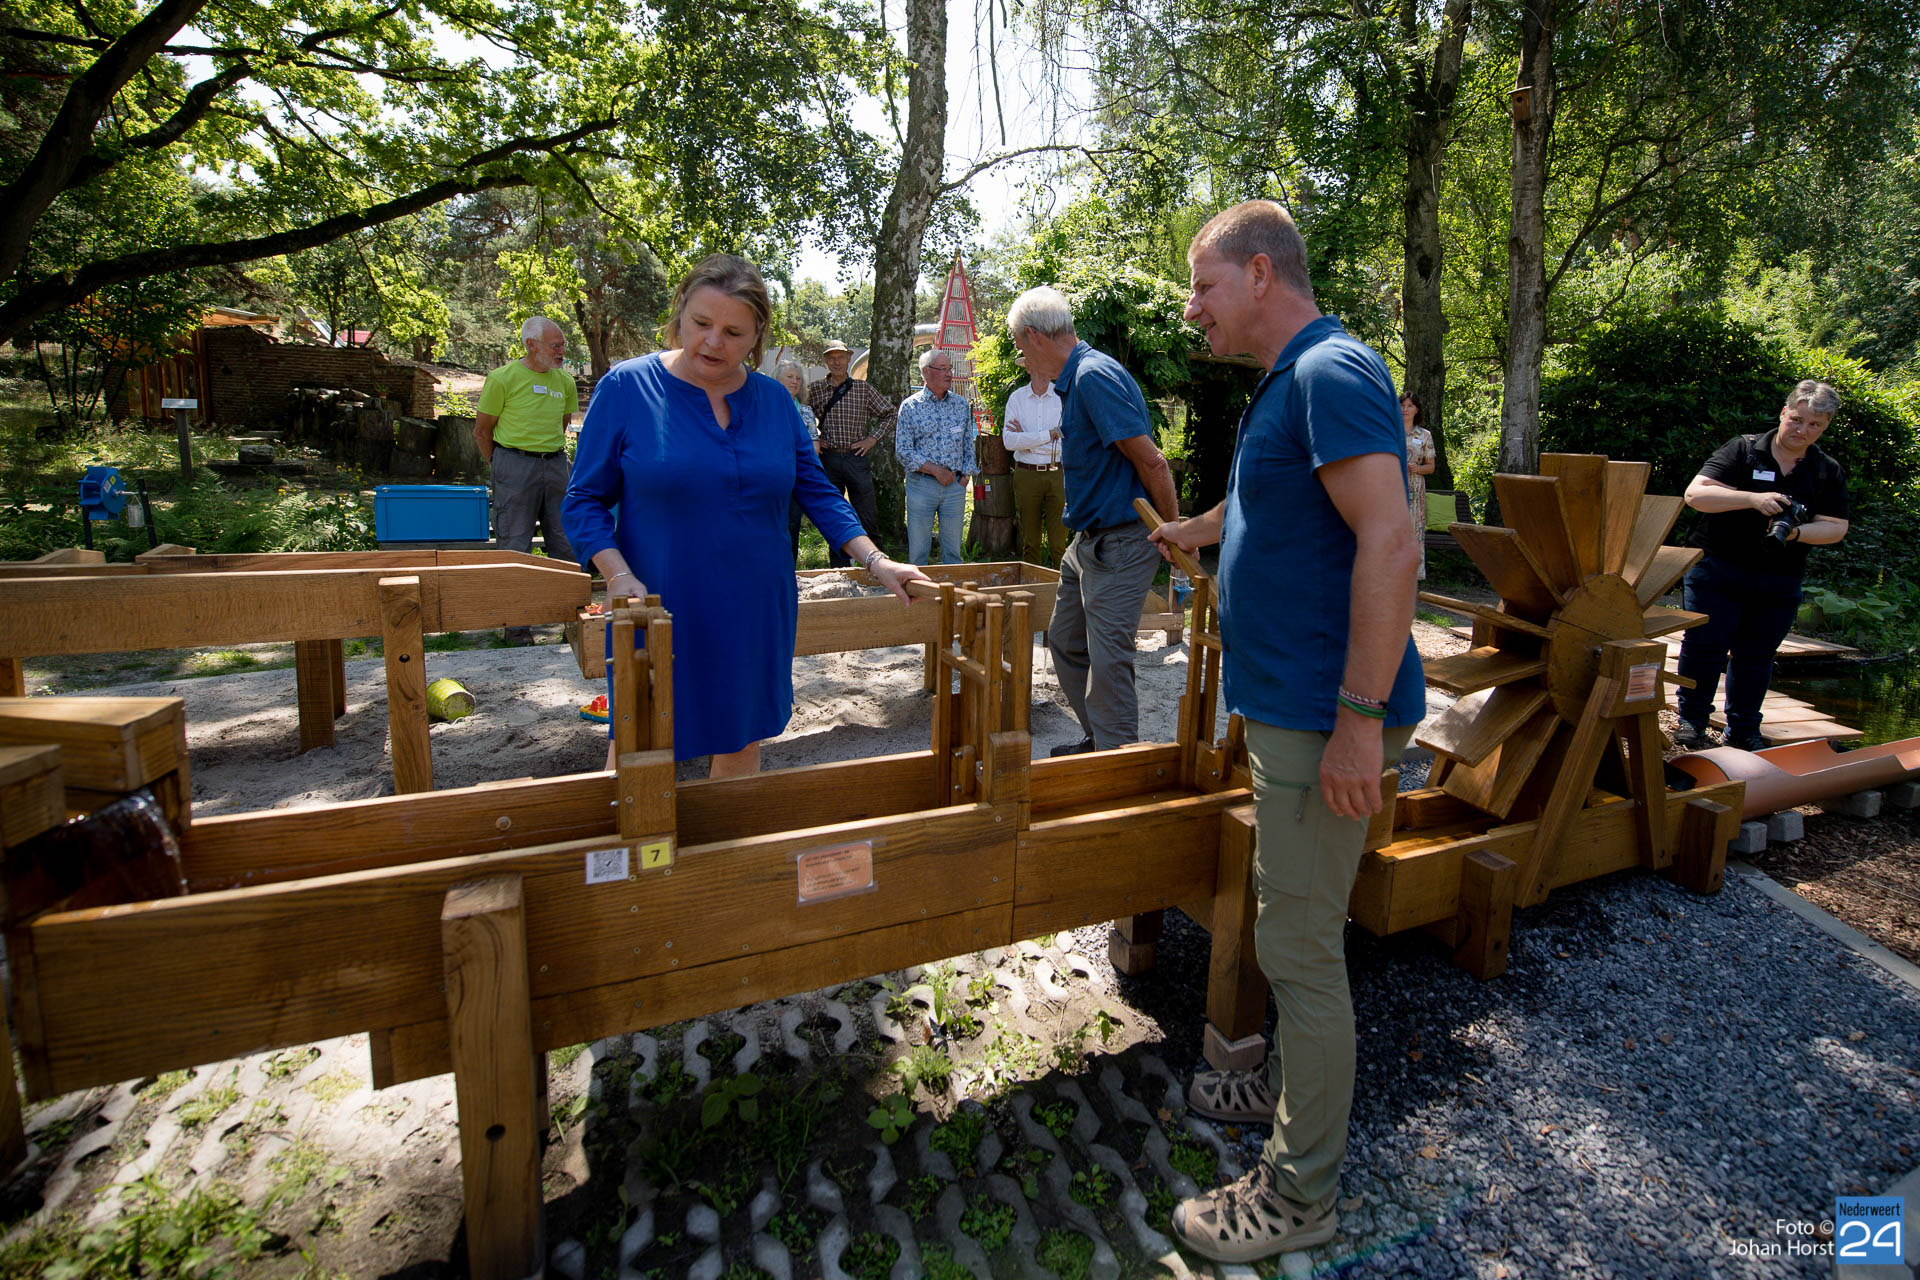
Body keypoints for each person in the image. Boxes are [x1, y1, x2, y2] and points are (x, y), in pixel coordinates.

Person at [1148, 200, 1425, 1265]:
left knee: (1301, 951)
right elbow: (1271, 506)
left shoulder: (1331, 371)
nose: (1193, 308)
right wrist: (1196, 526)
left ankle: (1300, 1192)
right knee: (1290, 926)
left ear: (1260, 273)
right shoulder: (1288, 383)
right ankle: (1284, 1085)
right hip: (1295, 714)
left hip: (1324, 719)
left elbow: (1392, 543)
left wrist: (1358, 723)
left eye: (1204, 284)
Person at [563, 255, 929, 778]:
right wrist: (616, 574)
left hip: (755, 605)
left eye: (734, 332)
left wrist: (876, 561)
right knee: (640, 747)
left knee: (740, 742)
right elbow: (583, 500)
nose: (713, 342)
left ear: (758, 336)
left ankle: (729, 835)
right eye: (701, 323)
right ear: (680, 314)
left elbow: (818, 492)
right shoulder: (627, 388)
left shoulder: (775, 402)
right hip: (656, 604)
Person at [1008, 286, 1178, 757]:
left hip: (1121, 541)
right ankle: (1100, 742)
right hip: (1087, 541)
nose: (1023, 359)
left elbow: (1153, 462)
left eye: (1022, 348)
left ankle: (1116, 764)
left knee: (1108, 661)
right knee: (1065, 641)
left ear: (1034, 336)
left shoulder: (1093, 376)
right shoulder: (1077, 378)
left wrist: (1174, 530)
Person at [1674, 381, 1849, 751]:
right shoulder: (1743, 449)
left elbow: (1836, 527)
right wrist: (1753, 500)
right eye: (1797, 419)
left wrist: (1795, 533)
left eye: (1814, 425)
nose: (1802, 430)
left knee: (1756, 656)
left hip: (1778, 579)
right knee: (1704, 647)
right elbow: (1696, 494)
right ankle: (1691, 721)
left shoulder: (1825, 470)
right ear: (1784, 413)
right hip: (1716, 568)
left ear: (1826, 426)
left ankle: (1743, 730)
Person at [474, 315, 578, 644]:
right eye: (555, 345)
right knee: (515, 546)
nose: (562, 351)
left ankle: (573, 627)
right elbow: (482, 431)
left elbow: (562, 424)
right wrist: (502, 465)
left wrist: (546, 457)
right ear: (531, 345)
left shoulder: (565, 382)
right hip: (513, 465)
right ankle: (517, 631)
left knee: (566, 544)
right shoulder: (502, 379)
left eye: (562, 345)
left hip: (556, 466)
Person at [807, 339, 897, 566]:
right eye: (832, 358)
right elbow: (799, 414)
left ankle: (878, 568)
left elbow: (891, 414)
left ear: (849, 358)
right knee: (834, 516)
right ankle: (839, 569)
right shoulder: (815, 390)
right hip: (828, 459)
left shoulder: (862, 389)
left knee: (867, 514)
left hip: (856, 458)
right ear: (826, 361)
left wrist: (872, 439)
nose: (836, 362)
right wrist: (814, 439)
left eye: (841, 357)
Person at [895, 349, 975, 565]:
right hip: (922, 485)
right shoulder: (910, 406)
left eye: (950, 369)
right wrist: (935, 470)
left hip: (955, 487)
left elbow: (968, 443)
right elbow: (903, 451)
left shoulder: (960, 405)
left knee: (953, 554)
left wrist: (965, 476)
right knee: (919, 553)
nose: (949, 374)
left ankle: (953, 586)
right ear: (926, 372)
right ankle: (918, 587)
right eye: (943, 369)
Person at [1002, 355, 1067, 566]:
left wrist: (1027, 440)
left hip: (1058, 473)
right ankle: (1034, 583)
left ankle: (1062, 584)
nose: (1043, 368)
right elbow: (1009, 441)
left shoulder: (1063, 397)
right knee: (1030, 543)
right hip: (1026, 474)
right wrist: (1050, 434)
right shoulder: (1016, 399)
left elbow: (1069, 439)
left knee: (1059, 543)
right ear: (1028, 368)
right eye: (1038, 364)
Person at [779, 359, 822, 563]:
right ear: (777, 380)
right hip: (767, 478)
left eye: (798, 378)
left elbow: (814, 448)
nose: (794, 381)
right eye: (789, 377)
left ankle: (790, 569)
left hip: (796, 478)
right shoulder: (763, 408)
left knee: (792, 525)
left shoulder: (805, 411)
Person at [1401, 392, 1436, 580]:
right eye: (1402, 405)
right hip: (1392, 485)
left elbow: (1431, 467)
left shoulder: (1424, 435)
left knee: (1413, 530)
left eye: (1409, 406)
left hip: (1414, 487)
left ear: (1417, 410)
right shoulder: (1389, 431)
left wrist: (1418, 468)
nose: (1405, 409)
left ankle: (1412, 574)